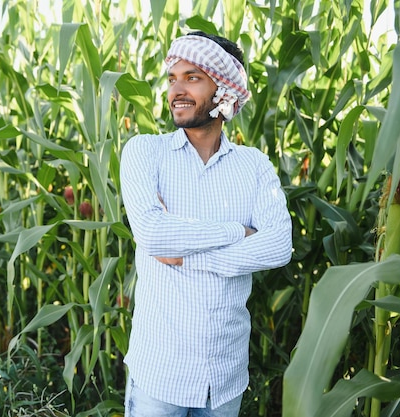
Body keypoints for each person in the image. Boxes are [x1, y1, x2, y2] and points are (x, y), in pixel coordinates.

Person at [119, 31, 293, 416]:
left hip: (224, 378)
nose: (177, 89)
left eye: (192, 78)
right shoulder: (145, 153)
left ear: (225, 89)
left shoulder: (254, 167)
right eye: (172, 78)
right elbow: (153, 235)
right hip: (160, 377)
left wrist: (191, 258)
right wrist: (239, 232)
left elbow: (279, 246)